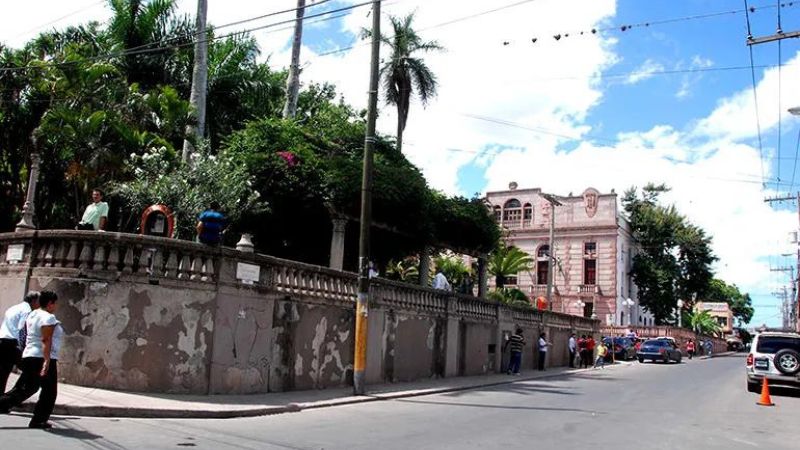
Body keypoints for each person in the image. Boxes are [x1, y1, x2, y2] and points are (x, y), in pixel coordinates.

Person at [0, 291, 62, 429]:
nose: (56, 306)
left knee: (26, 389)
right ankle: (39, 420)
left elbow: (24, 333)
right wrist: (47, 361)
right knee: (49, 392)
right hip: (43, 357)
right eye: (55, 303)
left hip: (30, 355)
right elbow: (46, 339)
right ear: (50, 303)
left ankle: (38, 420)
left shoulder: (33, 315)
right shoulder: (48, 318)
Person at [0, 292, 40, 391]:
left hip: (2, 341)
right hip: (13, 345)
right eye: (39, 301)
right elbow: (22, 330)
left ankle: (3, 398)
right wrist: (25, 349)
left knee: (3, 372)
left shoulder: (13, 308)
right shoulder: (27, 311)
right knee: (31, 370)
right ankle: (14, 396)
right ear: (34, 301)